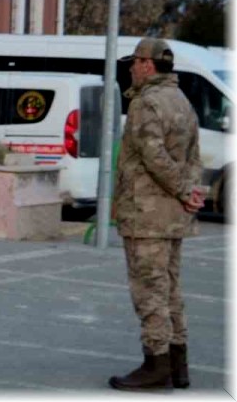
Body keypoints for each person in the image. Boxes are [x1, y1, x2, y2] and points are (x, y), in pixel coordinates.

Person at [109, 38, 204, 391]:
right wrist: (191, 192)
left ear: (148, 65)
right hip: (172, 216)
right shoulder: (181, 100)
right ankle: (179, 364)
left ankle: (157, 364)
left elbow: (154, 157)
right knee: (170, 290)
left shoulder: (146, 102)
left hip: (146, 214)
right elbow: (195, 156)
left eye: (135, 61)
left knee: (149, 291)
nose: (131, 67)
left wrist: (182, 189)